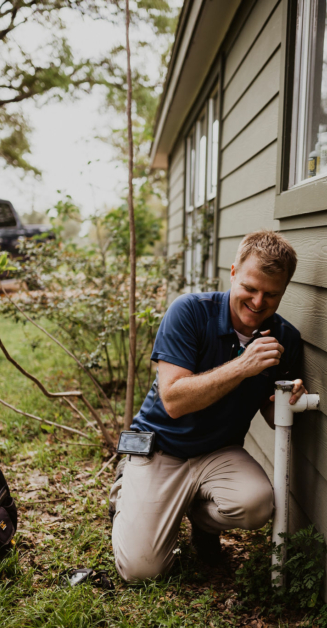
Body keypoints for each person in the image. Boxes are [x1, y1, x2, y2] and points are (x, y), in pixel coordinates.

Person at [109, 229, 307, 581]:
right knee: (141, 571)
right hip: (161, 448)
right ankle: (129, 489)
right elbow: (173, 400)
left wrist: (289, 401)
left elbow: (272, 414)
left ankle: (201, 522)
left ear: (284, 290)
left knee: (257, 504)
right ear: (233, 273)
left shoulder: (286, 338)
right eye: (250, 288)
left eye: (271, 294)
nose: (259, 302)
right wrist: (244, 366)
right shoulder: (190, 312)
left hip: (219, 452)